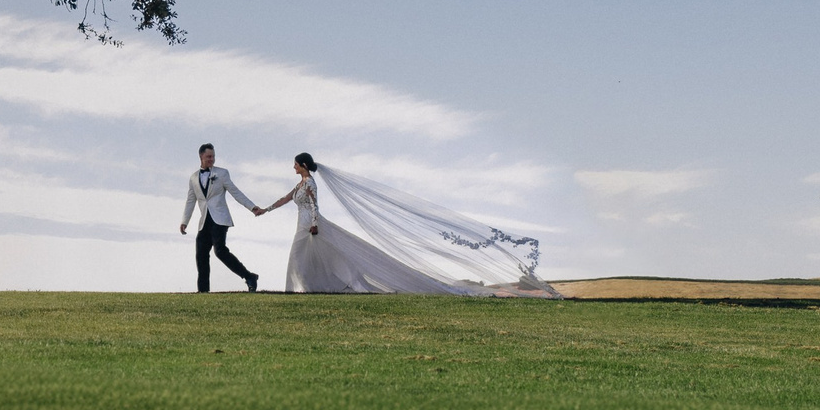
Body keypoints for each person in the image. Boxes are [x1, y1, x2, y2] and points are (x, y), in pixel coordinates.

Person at [253, 154, 562, 297]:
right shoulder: (299, 186)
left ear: (303, 165)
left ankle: (308, 288)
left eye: (295, 163)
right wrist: (265, 209)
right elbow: (285, 198)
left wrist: (316, 226)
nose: (292, 167)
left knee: (305, 257)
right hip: (302, 226)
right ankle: (309, 288)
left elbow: (316, 207)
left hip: (311, 228)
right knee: (305, 258)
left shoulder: (311, 185)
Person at [181, 143, 260, 293]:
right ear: (201, 157)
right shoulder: (193, 178)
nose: (212, 159)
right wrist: (185, 221)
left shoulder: (222, 174)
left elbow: (236, 192)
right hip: (204, 221)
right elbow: (191, 200)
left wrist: (252, 207)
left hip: (220, 219)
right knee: (201, 255)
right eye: (208, 156)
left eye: (213, 156)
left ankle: (248, 277)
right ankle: (203, 291)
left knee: (220, 251)